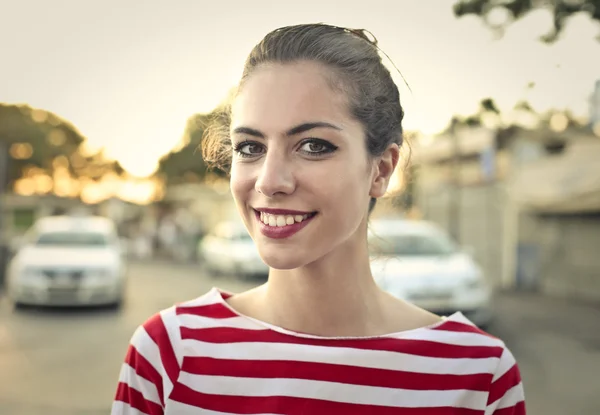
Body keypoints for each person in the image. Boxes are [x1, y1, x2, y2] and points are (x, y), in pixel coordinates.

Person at [112, 23, 526, 414]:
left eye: (312, 145)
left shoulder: (476, 374)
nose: (270, 181)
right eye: (249, 147)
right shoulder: (169, 353)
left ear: (381, 169)